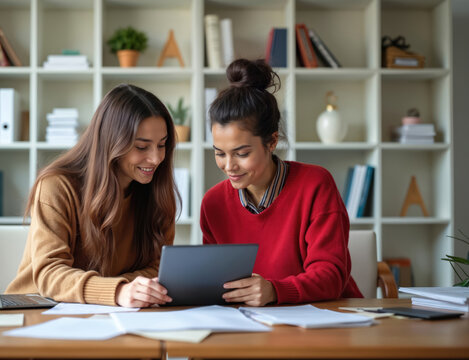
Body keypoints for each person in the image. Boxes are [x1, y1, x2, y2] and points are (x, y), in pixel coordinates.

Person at [200, 59, 363, 306]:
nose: (229, 166)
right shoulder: (213, 203)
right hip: (251, 325)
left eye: (242, 153)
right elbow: (216, 282)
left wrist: (275, 291)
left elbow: (331, 277)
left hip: (330, 319)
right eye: (220, 153)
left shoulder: (315, 185)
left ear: (272, 142)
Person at [6, 84, 176, 307]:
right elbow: (49, 274)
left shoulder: (156, 191)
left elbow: (159, 268)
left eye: (162, 145)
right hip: (35, 310)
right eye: (142, 147)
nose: (155, 158)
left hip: (107, 313)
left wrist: (125, 292)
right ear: (111, 143)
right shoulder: (57, 186)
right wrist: (118, 291)